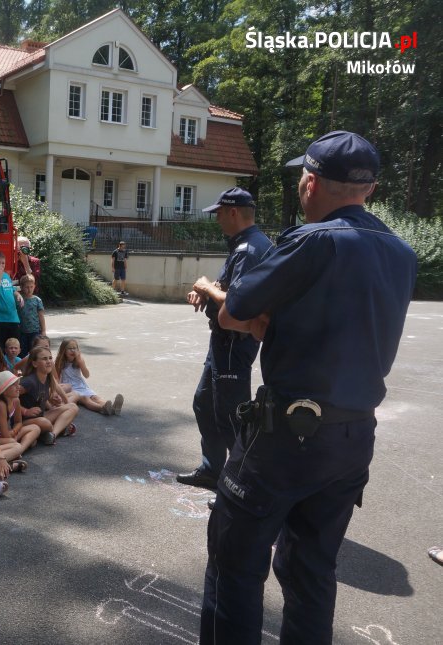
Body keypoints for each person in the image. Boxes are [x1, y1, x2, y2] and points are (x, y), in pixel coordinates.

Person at [201, 131, 417, 643]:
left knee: (235, 561)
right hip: (353, 437)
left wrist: (257, 319)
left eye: (303, 175)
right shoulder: (401, 252)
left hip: (284, 436)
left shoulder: (312, 240)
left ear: (311, 182)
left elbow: (235, 311)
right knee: (311, 572)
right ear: (370, 188)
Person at [175, 188, 273, 491]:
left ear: (233, 212)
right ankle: (212, 470)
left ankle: (240, 484)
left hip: (234, 342)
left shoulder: (250, 250)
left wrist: (207, 286)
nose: (216, 219)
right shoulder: (245, 245)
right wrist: (206, 291)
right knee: (204, 404)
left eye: (218, 213)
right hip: (223, 341)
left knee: (231, 416)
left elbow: (239, 304)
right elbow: (230, 286)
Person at [20, 346, 79, 445]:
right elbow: (10, 399)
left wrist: (55, 400)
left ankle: (52, 435)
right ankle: (55, 430)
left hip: (41, 416)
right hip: (25, 421)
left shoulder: (47, 376)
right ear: (34, 363)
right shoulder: (29, 382)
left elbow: (56, 389)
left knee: (73, 407)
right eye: (44, 359)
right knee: (45, 423)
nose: (48, 361)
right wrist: (25, 411)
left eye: (50, 358)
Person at [54, 339, 124, 416]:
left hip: (80, 385)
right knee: (85, 399)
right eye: (70, 348)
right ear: (63, 350)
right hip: (71, 389)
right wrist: (59, 391)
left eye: (75, 348)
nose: (73, 350)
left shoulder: (79, 360)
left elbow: (86, 375)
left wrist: (80, 362)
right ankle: (102, 408)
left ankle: (112, 408)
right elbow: (56, 378)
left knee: (95, 397)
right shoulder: (59, 362)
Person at [0, 371, 40, 461]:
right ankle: (16, 450)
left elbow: (19, 422)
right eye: (14, 385)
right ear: (4, 390)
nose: (18, 387)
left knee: (36, 428)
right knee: (13, 441)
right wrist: (12, 435)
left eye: (18, 384)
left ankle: (19, 451)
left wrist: (14, 431)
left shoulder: (16, 400)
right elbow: (4, 434)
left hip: (9, 433)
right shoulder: (0, 404)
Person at [17, 274, 45, 356]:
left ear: (34, 286)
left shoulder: (37, 300)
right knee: (23, 352)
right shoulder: (19, 299)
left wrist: (43, 330)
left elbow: (41, 316)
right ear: (21, 287)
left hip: (35, 331)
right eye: (27, 287)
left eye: (31, 287)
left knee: (35, 352)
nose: (29, 289)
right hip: (22, 331)